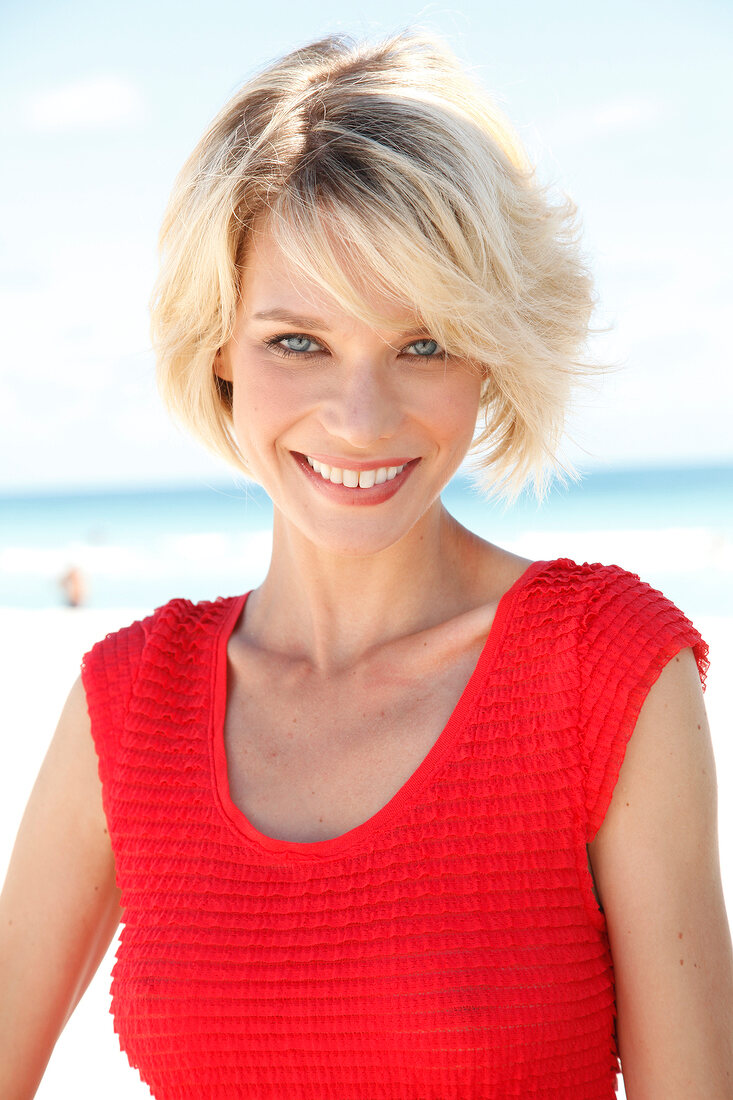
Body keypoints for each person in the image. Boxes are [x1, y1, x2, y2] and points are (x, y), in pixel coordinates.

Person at [1, 28, 731, 1100]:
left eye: (422, 341)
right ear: (219, 346)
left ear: (490, 347)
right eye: (297, 341)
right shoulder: (129, 701)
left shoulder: (602, 670)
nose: (358, 418)